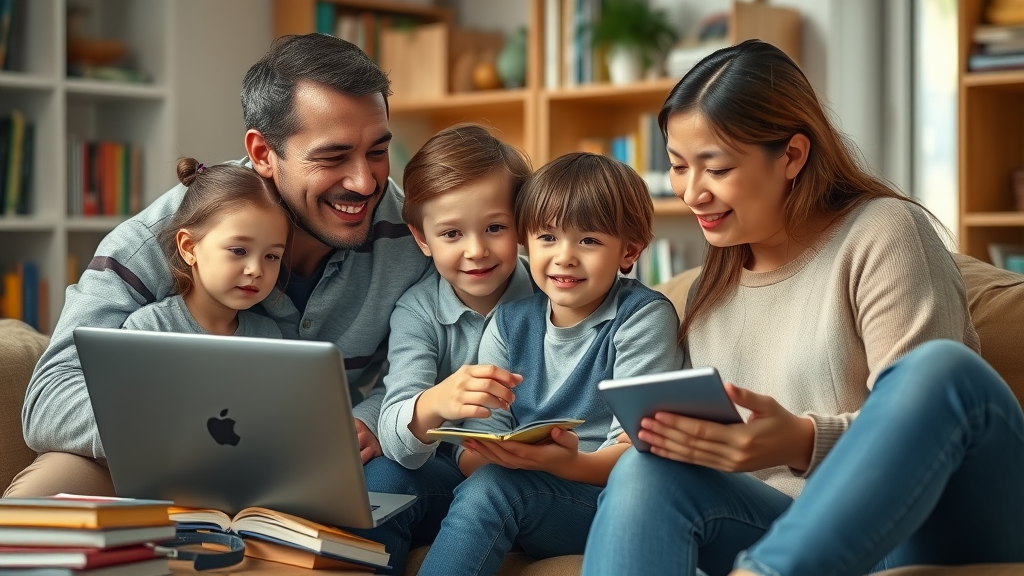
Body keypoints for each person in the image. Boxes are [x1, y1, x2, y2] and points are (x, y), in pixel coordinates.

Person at [580, 40, 1024, 576]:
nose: (691, 192)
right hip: (791, 527)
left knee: (942, 371)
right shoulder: (707, 287)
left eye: (715, 169)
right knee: (645, 472)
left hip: (921, 519)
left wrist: (802, 439)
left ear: (791, 155)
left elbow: (924, 422)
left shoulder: (882, 232)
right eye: (677, 167)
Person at [8, 33, 439, 574]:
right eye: (333, 157)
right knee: (35, 519)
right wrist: (180, 437)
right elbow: (49, 399)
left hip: (312, 479)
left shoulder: (419, 233)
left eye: (378, 150)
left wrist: (373, 418)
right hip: (144, 463)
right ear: (263, 153)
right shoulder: (160, 238)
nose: (365, 180)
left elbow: (471, 338)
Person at [415, 152, 686, 576]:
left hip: (606, 500)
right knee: (406, 481)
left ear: (629, 250)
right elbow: (475, 449)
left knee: (493, 490)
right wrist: (500, 453)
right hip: (523, 483)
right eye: (547, 238)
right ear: (526, 241)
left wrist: (560, 463)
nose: (565, 257)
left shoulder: (642, 318)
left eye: (589, 241)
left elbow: (639, 456)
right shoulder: (509, 323)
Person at [378, 123, 535, 472]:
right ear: (422, 239)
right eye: (452, 234)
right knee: (386, 476)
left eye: (495, 228)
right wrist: (436, 402)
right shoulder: (417, 311)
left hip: (537, 469)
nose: (476, 251)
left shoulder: (552, 292)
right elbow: (393, 436)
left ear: (522, 224)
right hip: (445, 469)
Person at [122, 157, 289, 337]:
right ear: (189, 247)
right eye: (238, 251)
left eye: (271, 256)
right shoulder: (149, 328)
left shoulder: (268, 335)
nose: (256, 270)